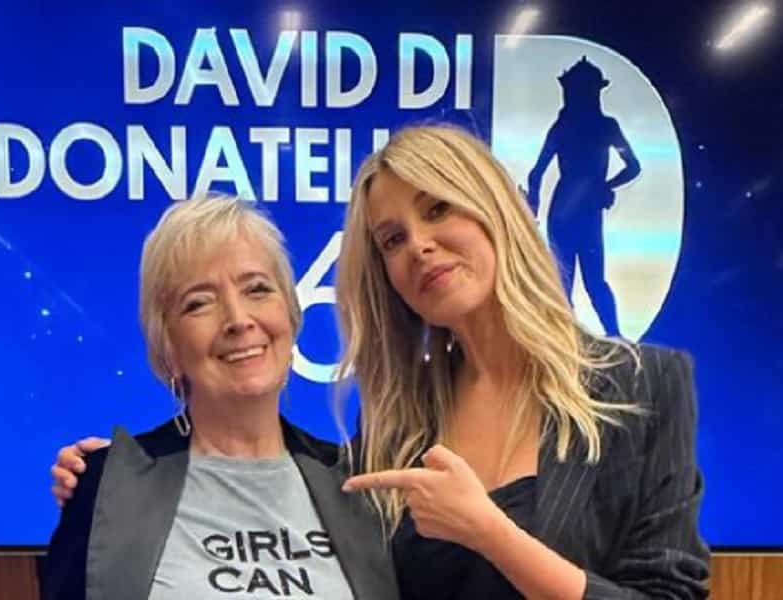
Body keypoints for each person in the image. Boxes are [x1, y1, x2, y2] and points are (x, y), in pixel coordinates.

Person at [53, 125, 710, 599]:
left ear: (497, 211)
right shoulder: (394, 433)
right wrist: (119, 478)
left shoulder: (645, 386)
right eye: (393, 239)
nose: (419, 246)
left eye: (438, 209)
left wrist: (491, 533)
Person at [40, 196, 398, 600]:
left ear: (290, 316)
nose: (238, 320)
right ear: (168, 347)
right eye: (199, 303)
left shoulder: (360, 484)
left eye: (257, 289)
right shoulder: (108, 487)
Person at [527, 56, 642, 338]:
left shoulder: (599, 126)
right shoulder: (572, 126)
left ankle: (613, 336)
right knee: (568, 281)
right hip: (571, 208)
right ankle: (572, 339)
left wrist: (607, 186)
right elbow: (536, 172)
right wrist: (532, 206)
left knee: (588, 280)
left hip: (580, 207)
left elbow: (633, 166)